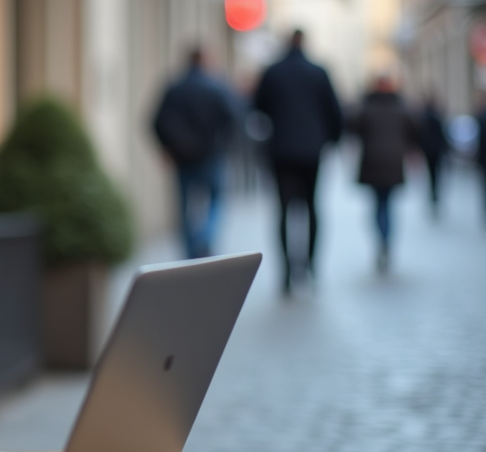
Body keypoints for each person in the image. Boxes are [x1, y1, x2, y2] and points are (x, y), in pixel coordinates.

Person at [252, 29, 343, 295]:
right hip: (312, 151)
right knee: (312, 208)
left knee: (283, 211)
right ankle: (310, 266)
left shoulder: (273, 71)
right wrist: (330, 141)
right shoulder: (318, 72)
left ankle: (286, 272)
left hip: (281, 151)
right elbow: (335, 112)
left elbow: (258, 107)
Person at [152, 46, 237, 259]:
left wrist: (167, 148)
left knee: (185, 207)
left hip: (183, 158)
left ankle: (191, 251)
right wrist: (223, 146)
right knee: (216, 199)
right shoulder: (216, 87)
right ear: (206, 61)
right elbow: (233, 119)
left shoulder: (175, 88)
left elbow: (156, 121)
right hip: (210, 156)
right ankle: (206, 237)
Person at [346, 75, 419, 270]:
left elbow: (353, 127)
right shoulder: (401, 107)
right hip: (394, 162)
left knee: (379, 205)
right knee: (388, 205)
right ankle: (386, 241)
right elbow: (415, 130)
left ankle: (382, 241)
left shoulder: (367, 107)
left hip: (373, 162)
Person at [417, 92, 449, 214]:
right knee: (436, 174)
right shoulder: (436, 116)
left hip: (428, 150)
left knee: (431, 173)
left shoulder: (423, 117)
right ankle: (434, 195)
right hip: (436, 150)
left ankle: (433, 195)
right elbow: (442, 134)